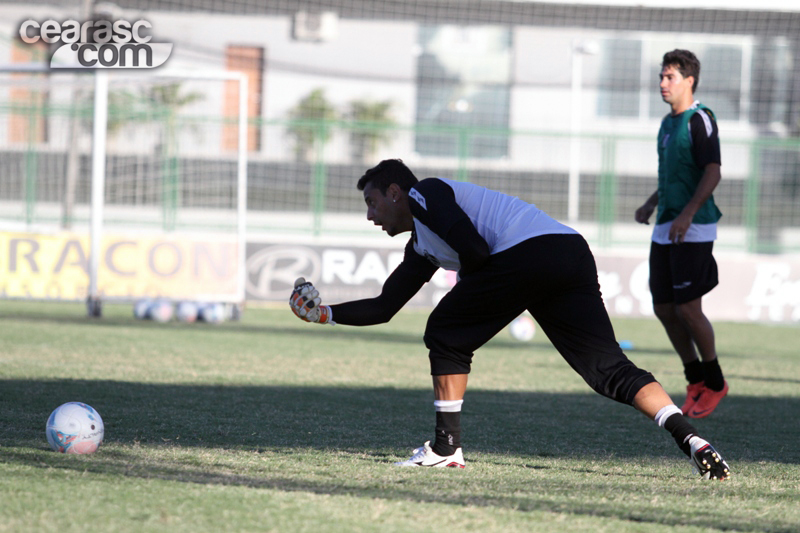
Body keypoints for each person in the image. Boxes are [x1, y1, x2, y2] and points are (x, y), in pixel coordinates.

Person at [290, 158, 731, 480]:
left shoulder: (424, 191)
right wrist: (325, 314)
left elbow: (477, 253)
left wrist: (475, 301)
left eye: (371, 202)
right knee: (608, 369)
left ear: (394, 192)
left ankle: (446, 449)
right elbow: (384, 307)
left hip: (530, 254)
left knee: (445, 332)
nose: (370, 216)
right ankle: (691, 439)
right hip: (568, 251)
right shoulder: (422, 244)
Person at [635, 49, 728, 419]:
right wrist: (651, 203)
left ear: (689, 80)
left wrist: (688, 214)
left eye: (670, 77)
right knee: (663, 307)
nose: (662, 83)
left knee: (689, 308)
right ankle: (694, 379)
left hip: (694, 224)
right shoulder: (666, 124)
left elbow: (712, 171)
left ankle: (715, 381)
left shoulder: (699, 119)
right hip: (667, 224)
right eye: (661, 76)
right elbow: (674, 175)